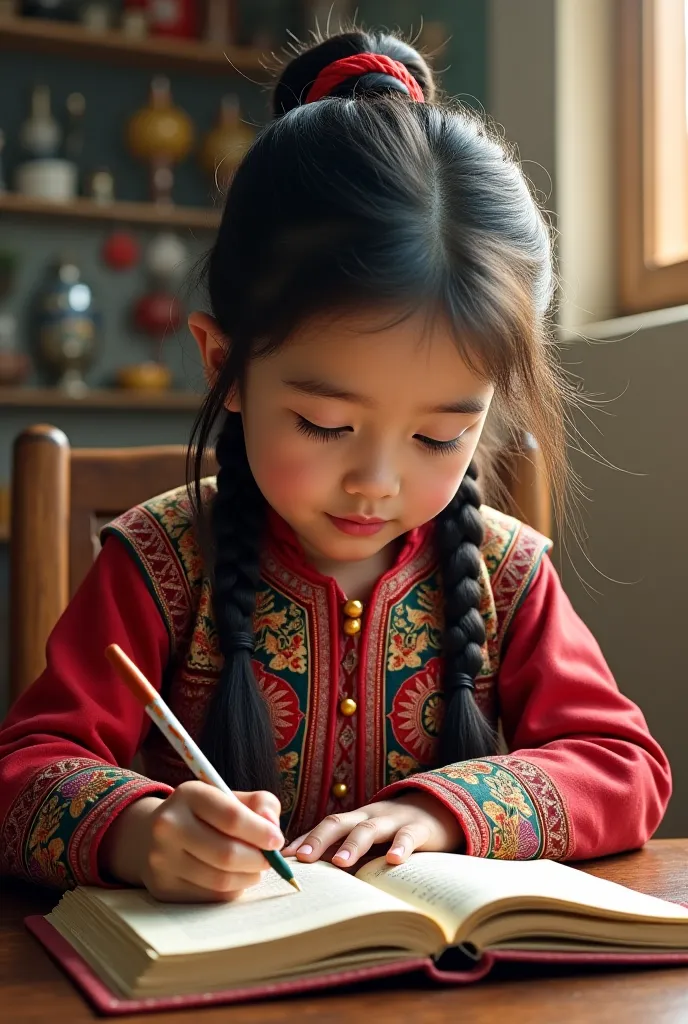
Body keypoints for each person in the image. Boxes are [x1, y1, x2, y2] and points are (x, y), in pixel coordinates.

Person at [0, 30, 670, 902]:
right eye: (324, 423)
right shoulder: (160, 562)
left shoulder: (506, 573)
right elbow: (24, 771)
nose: (377, 482)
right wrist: (139, 831)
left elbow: (625, 767)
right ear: (223, 365)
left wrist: (446, 812)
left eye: (439, 437)